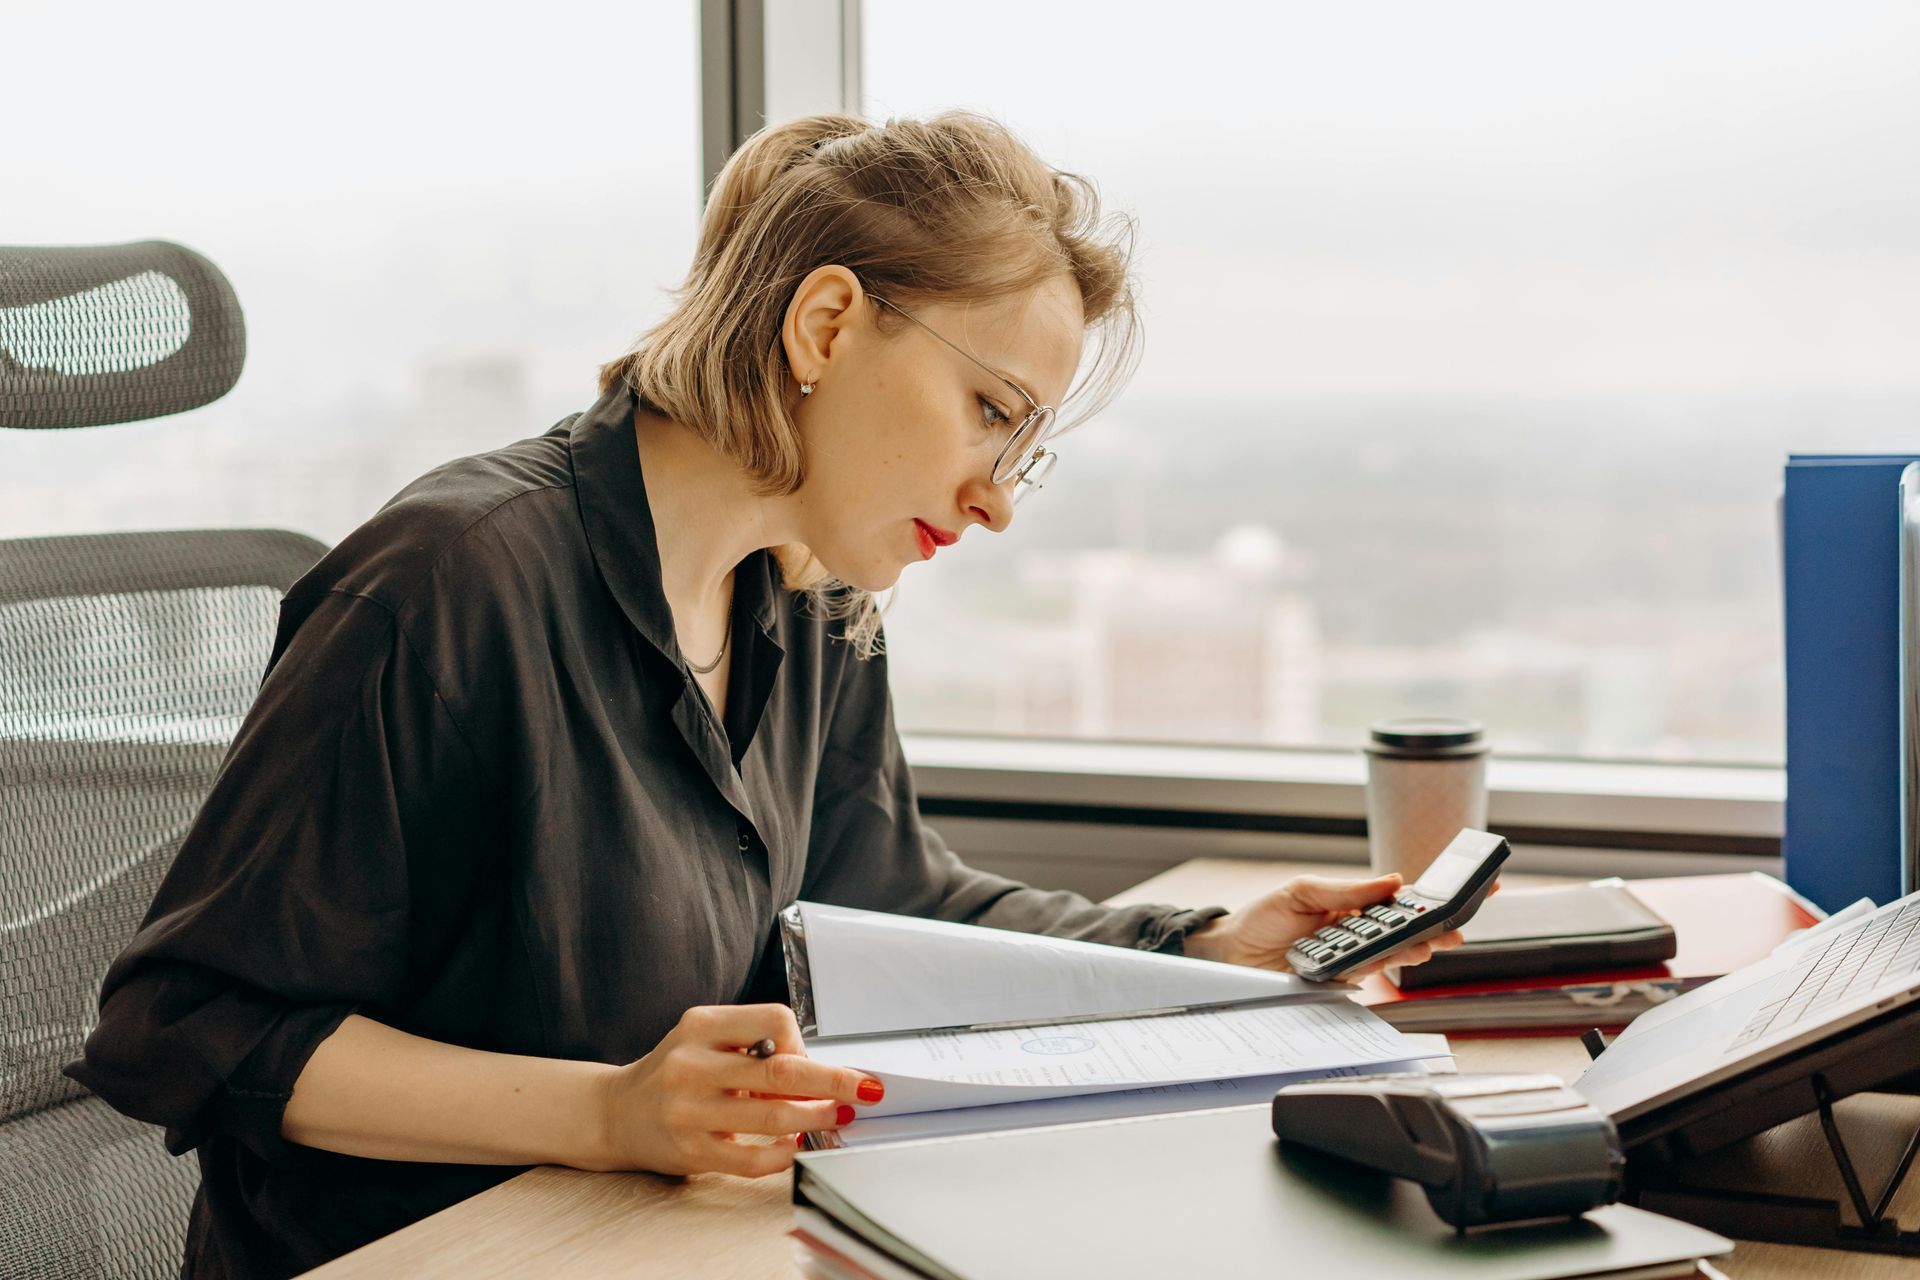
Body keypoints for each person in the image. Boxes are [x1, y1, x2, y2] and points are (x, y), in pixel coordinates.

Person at [70, 112, 1461, 1279]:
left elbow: (888, 902)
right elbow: (188, 1031)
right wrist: (612, 1114)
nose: (995, 502)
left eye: (1023, 450)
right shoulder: (453, 583)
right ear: (826, 322)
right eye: (991, 414)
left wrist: (1201, 948)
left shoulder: (809, 602)